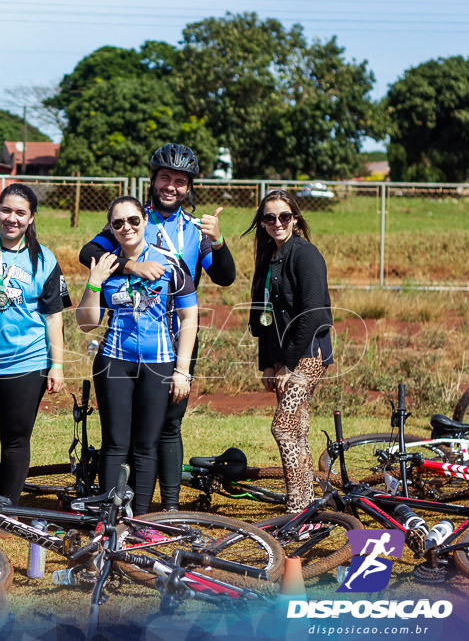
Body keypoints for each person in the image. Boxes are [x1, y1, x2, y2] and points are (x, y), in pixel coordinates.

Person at [78, 143, 235, 510]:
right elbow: (89, 254)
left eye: (180, 181)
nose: (171, 186)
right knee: (126, 430)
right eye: (165, 177)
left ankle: (170, 507)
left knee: (168, 422)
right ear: (153, 179)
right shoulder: (133, 218)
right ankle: (121, 504)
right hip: (127, 339)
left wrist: (219, 239)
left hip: (176, 338)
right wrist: (131, 267)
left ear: (188, 187)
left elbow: (225, 277)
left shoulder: (195, 230)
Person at [76, 196, 198, 514]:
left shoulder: (171, 262)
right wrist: (93, 283)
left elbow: (190, 317)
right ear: (111, 229)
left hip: (159, 363)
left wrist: (182, 370)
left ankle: (141, 519)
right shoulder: (106, 264)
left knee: (146, 445)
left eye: (132, 220)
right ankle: (112, 517)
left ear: (145, 220)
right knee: (115, 442)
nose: (126, 228)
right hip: (114, 360)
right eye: (118, 223)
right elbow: (86, 324)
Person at [0, 183, 71, 504]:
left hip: (28, 361)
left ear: (32, 217)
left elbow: (54, 317)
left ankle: (4, 509)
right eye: (6, 210)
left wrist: (57, 365)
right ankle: (0, 500)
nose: (12, 218)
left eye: (20, 213)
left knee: (15, 439)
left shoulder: (44, 259)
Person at [244, 190, 333, 513]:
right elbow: (262, 317)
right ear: (262, 223)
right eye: (270, 217)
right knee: (297, 427)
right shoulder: (269, 257)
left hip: (308, 354)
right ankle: (309, 502)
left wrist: (289, 365)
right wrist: (269, 363)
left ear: (295, 219)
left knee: (283, 426)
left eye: (284, 216)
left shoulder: (305, 254)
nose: (277, 222)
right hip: (285, 356)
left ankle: (298, 506)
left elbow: (311, 313)